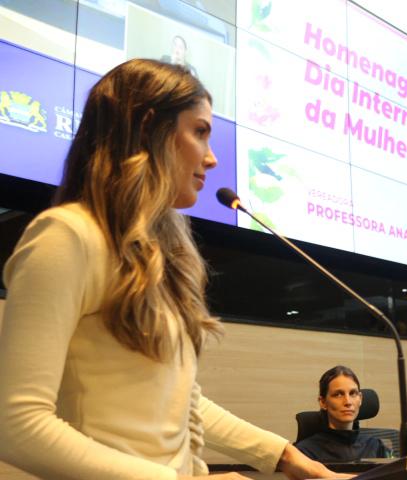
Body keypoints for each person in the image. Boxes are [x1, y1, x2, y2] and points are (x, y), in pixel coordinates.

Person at [0, 59, 343, 480]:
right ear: (149, 129)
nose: (212, 159)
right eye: (199, 132)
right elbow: (17, 426)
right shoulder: (67, 236)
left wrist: (287, 457)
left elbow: (178, 402)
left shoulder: (157, 253)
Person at [295, 365, 392, 462]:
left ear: (360, 399)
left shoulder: (376, 446)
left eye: (353, 393)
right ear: (323, 402)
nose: (348, 402)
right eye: (338, 394)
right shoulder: (304, 453)